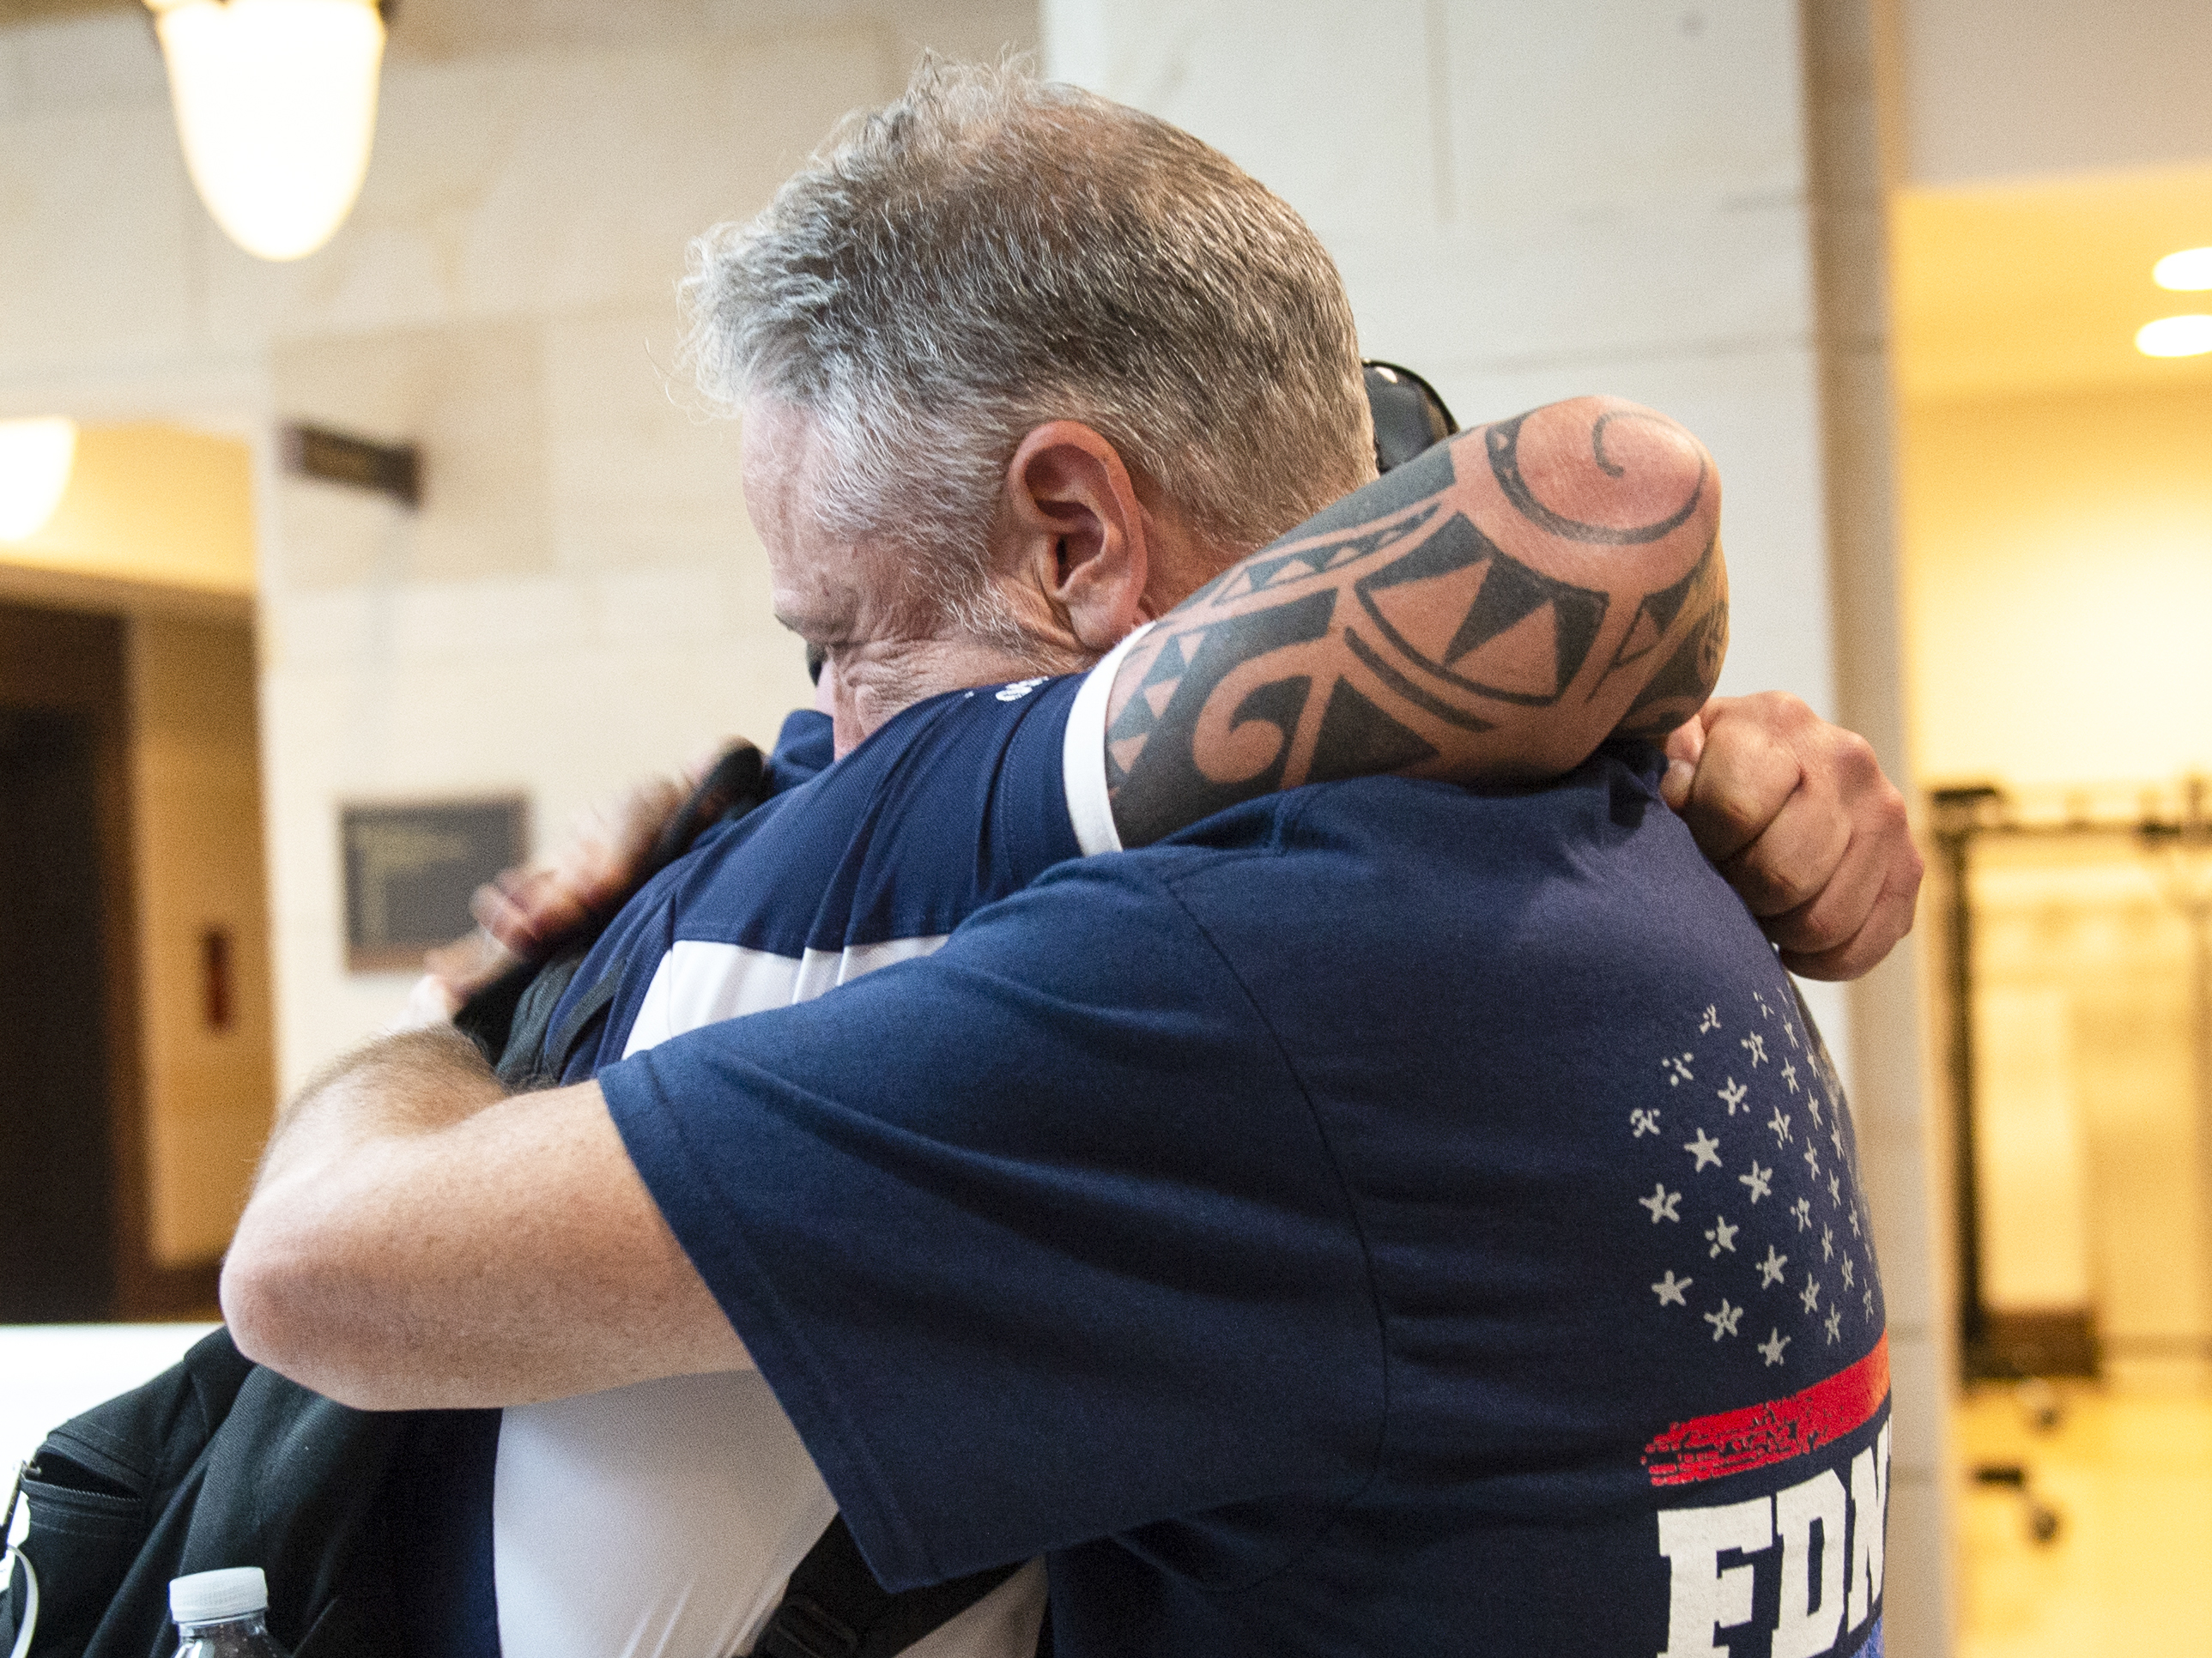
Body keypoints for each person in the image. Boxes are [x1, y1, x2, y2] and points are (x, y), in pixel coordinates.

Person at [227, 63, 1917, 1658]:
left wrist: (446, 1030)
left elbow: (318, 1274)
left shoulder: (1219, 985)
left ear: (1073, 536)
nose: (837, 729)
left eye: (840, 637)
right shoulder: (1610, 818)